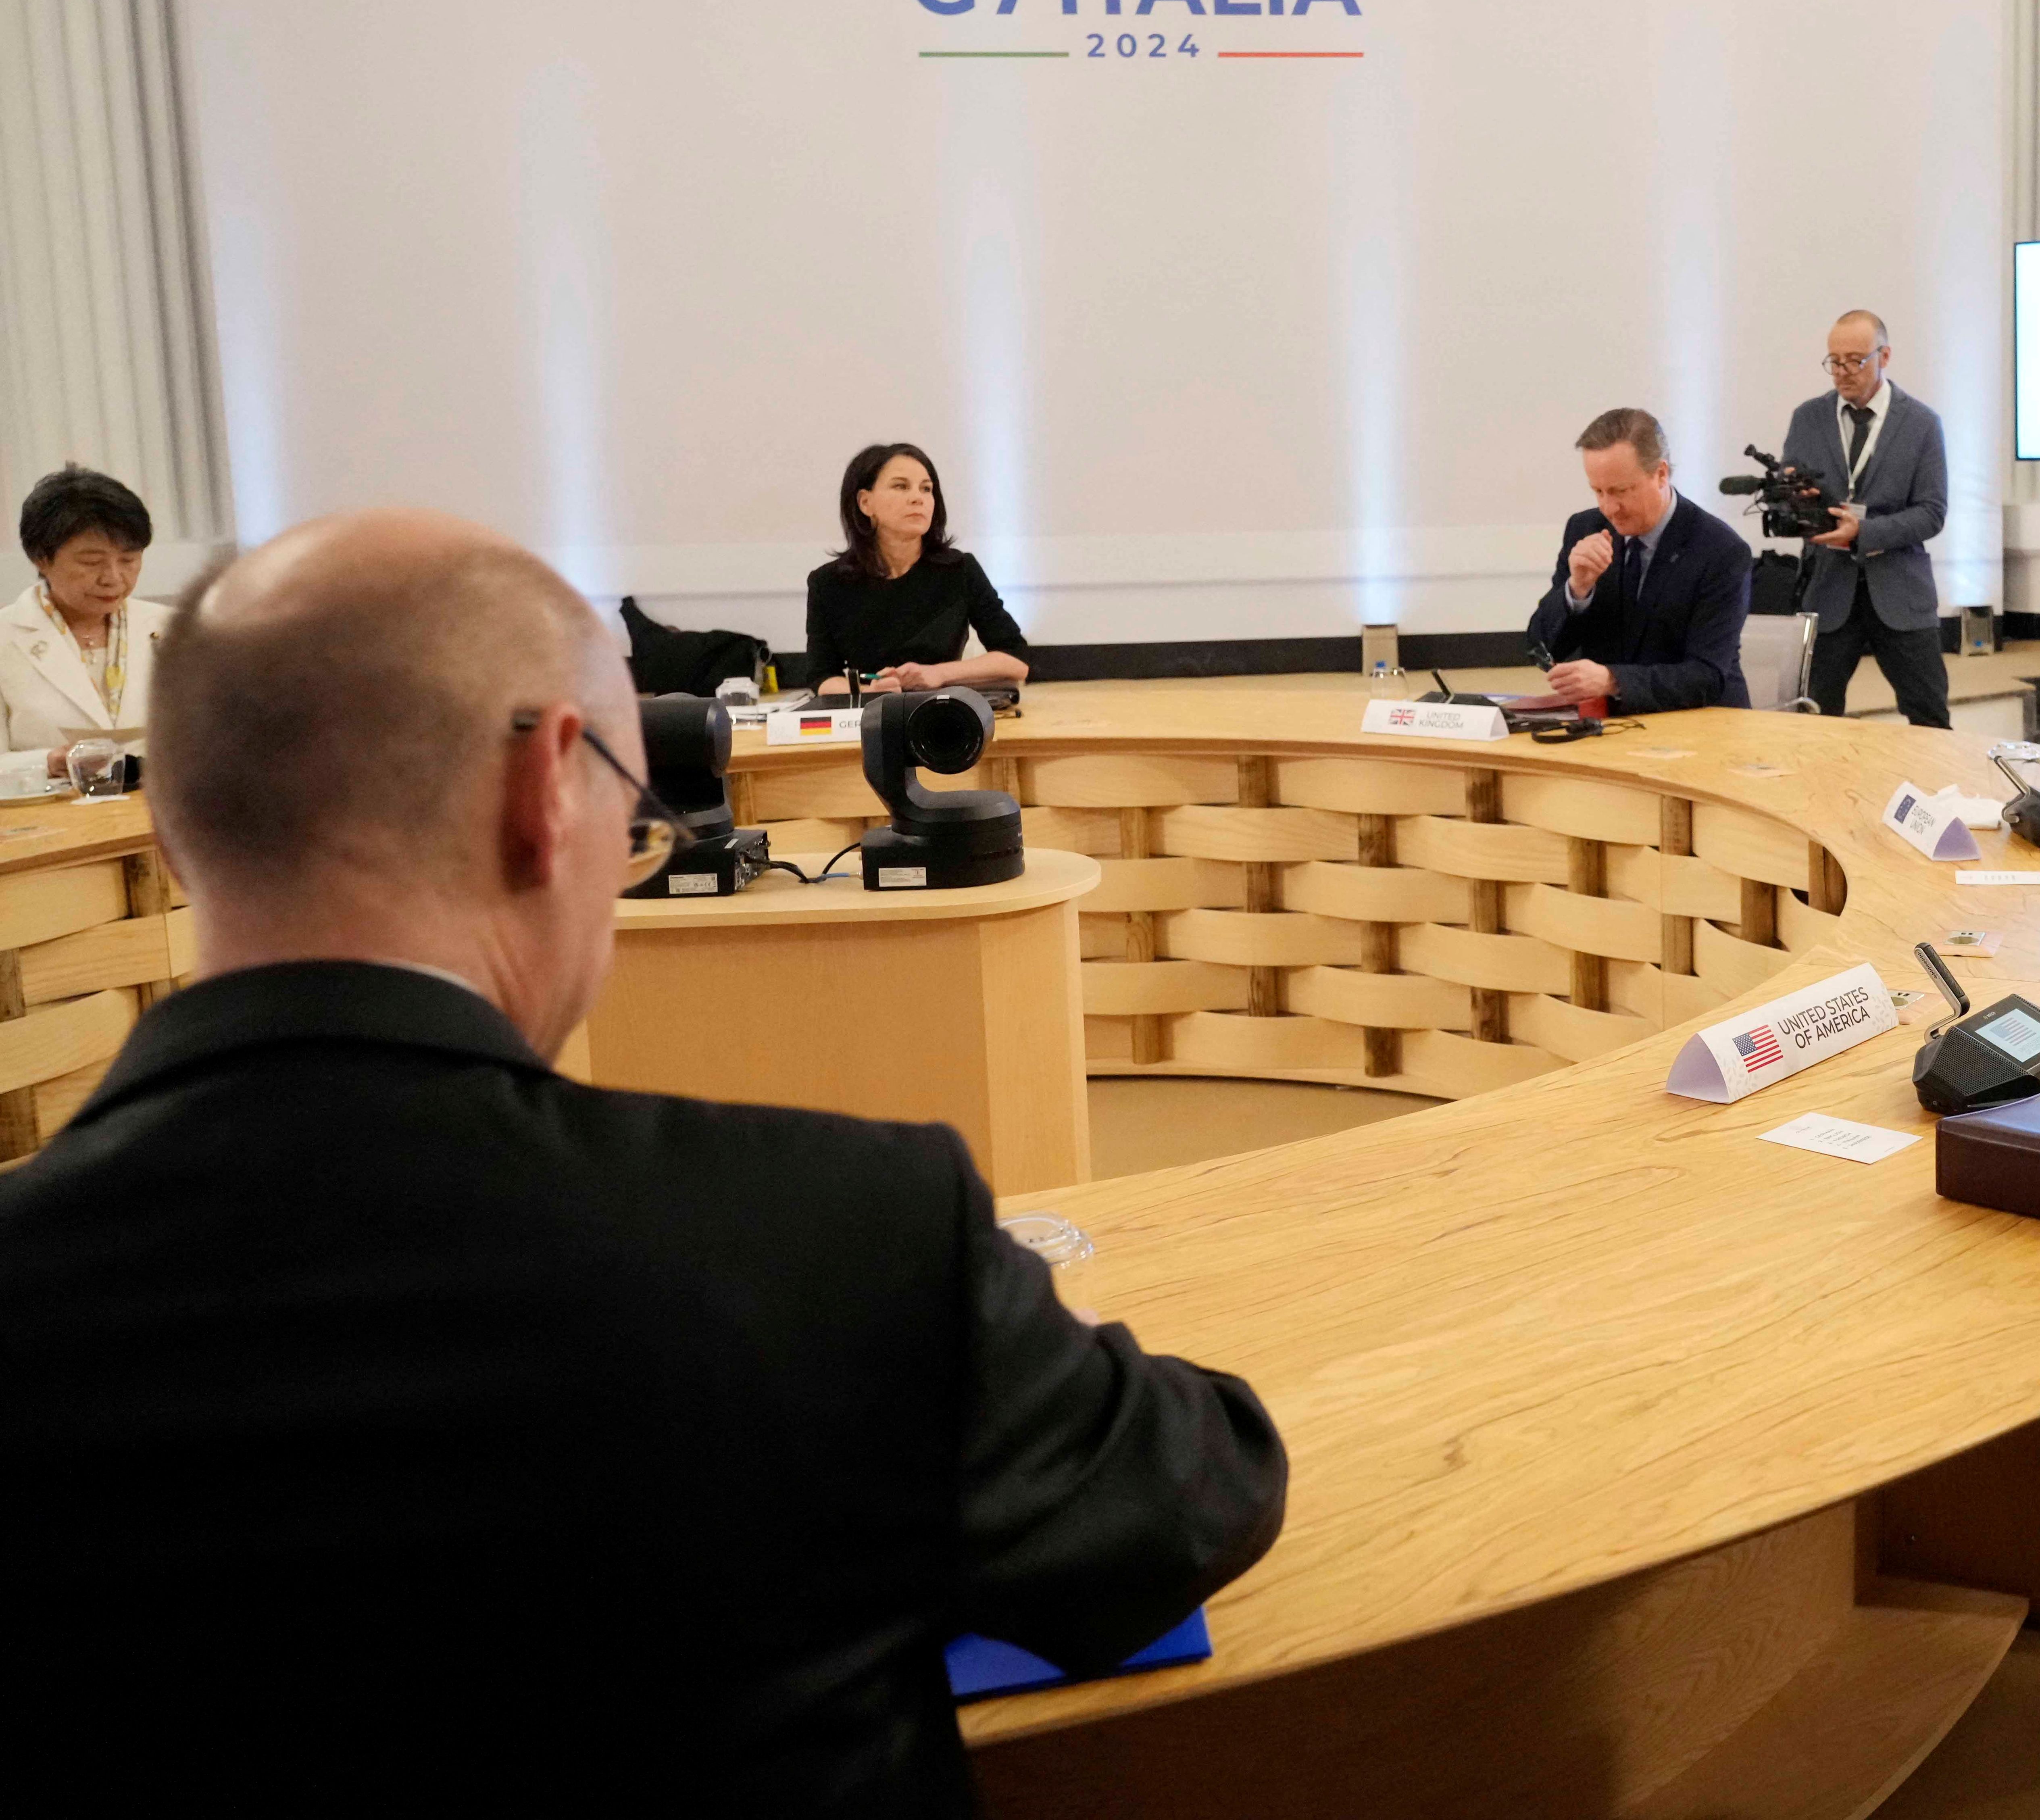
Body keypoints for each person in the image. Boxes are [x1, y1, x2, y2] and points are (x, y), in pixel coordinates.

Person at [0, 511, 1286, 1812]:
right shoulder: (842, 1235)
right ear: (544, 793)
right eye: (632, 815)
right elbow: (1188, 1499)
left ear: (169, 829)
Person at [1781, 310, 1951, 726]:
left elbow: (1931, 514)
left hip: (1900, 593)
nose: (1842, 372)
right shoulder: (1808, 418)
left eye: (1855, 360)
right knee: (1813, 718)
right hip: (1828, 590)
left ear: (1885, 356)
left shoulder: (1921, 423)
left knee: (1928, 716)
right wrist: (1796, 506)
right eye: (1834, 361)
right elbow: (1789, 498)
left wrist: (1864, 532)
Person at [1526, 407, 1752, 714]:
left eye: (1621, 491)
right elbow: (1541, 646)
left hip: (1701, 725)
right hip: (1610, 724)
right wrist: (1577, 589)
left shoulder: (1720, 550)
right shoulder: (1585, 529)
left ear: (1661, 474)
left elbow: (1707, 676)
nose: (1609, 508)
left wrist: (1613, 680)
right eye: (1598, 491)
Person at [805, 442, 1034, 696]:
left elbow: (1017, 660)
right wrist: (870, 689)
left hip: (943, 711)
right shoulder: (828, 583)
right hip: (868, 715)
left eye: (926, 489)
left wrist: (938, 673)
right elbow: (822, 678)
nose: (918, 498)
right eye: (901, 486)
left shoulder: (960, 569)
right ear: (865, 503)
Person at [0, 465, 169, 793]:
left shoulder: (176, 629)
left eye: (129, 560)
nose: (113, 578)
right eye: (92, 562)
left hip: (164, 822)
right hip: (49, 831)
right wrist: (48, 762)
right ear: (41, 558)